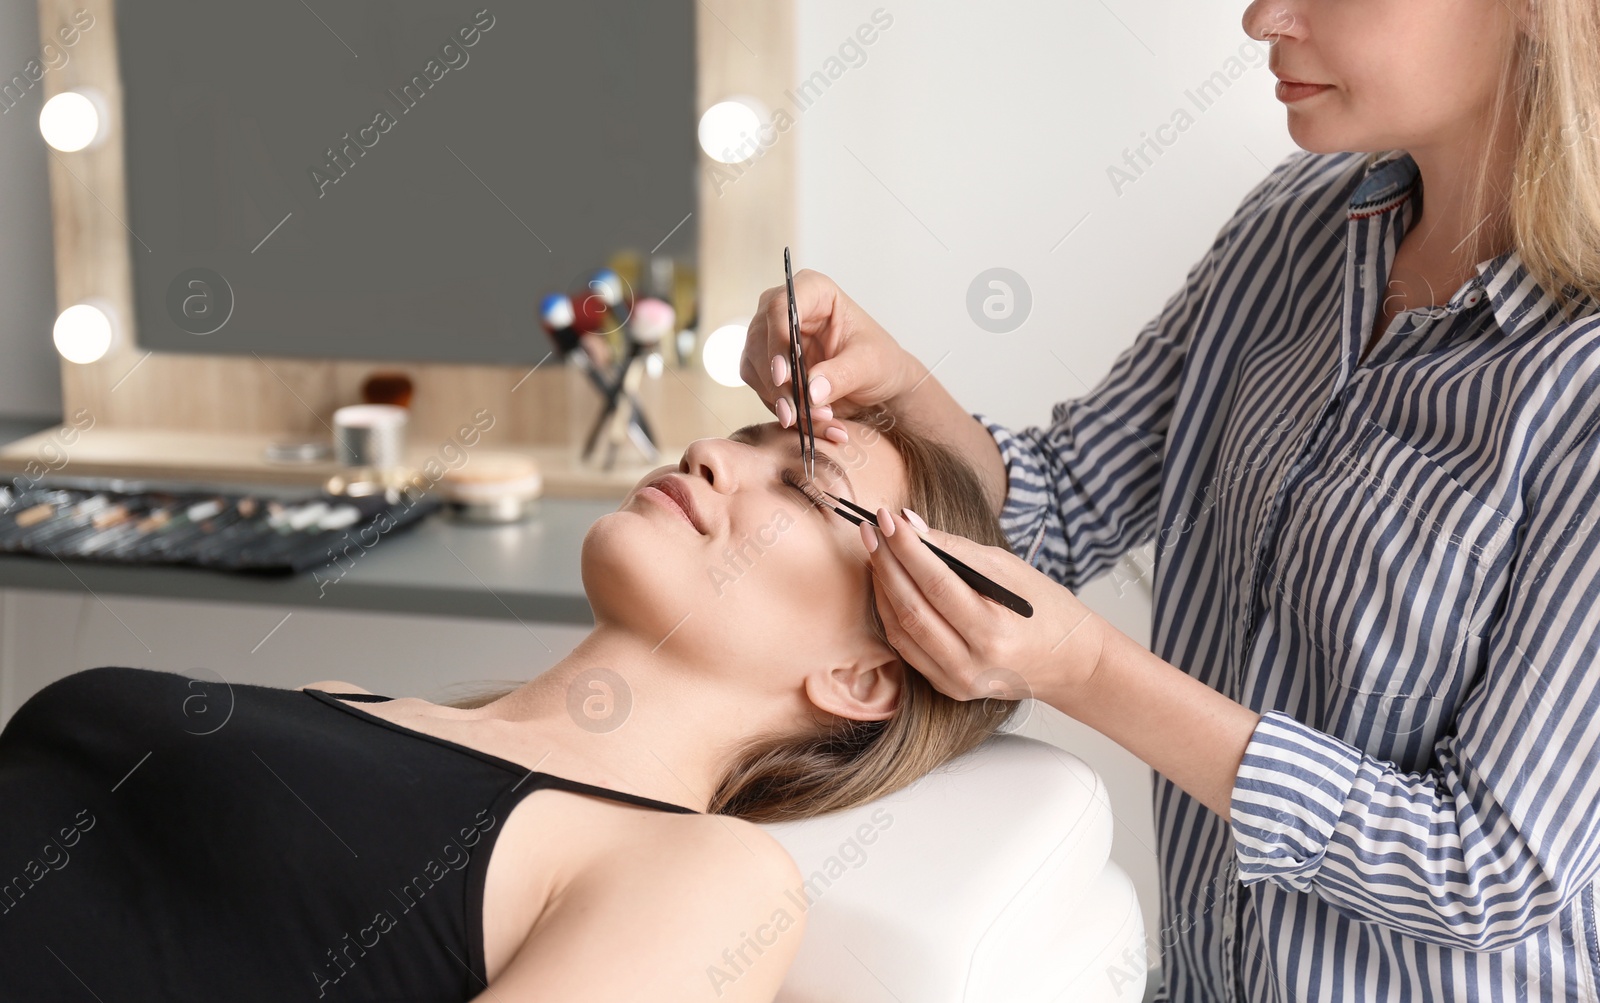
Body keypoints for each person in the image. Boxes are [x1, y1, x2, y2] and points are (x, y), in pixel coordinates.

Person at [739, 0, 1600, 999]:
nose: (1260, 18)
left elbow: (1488, 868)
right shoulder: (1294, 230)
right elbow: (1061, 504)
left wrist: (1090, 672)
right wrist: (901, 389)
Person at [0, 407, 1020, 1002]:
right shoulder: (342, 700)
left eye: (802, 486)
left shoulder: (706, 875)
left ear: (861, 677)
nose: (711, 454)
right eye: (747, 436)